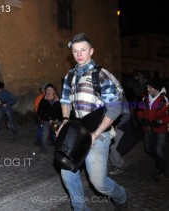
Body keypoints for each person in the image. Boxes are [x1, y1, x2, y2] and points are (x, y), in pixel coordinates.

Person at [59, 33, 129, 210]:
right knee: (67, 173)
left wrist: (95, 135)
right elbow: (65, 101)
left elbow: (114, 108)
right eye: (75, 51)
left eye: (83, 50)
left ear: (91, 51)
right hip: (77, 132)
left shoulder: (101, 75)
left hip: (100, 132)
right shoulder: (70, 76)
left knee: (98, 183)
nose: (79, 54)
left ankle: (121, 197)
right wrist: (65, 120)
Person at [137, 78, 169, 181]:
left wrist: (159, 121)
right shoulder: (144, 98)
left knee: (158, 150)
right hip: (148, 128)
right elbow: (140, 110)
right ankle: (159, 160)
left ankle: (161, 171)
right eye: (147, 87)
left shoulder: (164, 100)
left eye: (150, 87)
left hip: (160, 129)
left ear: (156, 88)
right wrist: (141, 118)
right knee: (148, 149)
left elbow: (167, 116)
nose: (148, 89)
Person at [37, 84, 62, 153]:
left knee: (57, 135)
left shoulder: (58, 101)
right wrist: (48, 119)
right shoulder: (43, 101)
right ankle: (43, 151)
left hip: (55, 121)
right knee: (44, 136)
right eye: (47, 90)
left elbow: (61, 111)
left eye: (51, 90)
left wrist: (57, 119)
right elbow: (40, 112)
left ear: (54, 91)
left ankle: (58, 151)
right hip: (46, 121)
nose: (49, 91)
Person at [109, 97, 130, 175]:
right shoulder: (109, 97)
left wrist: (117, 125)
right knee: (111, 146)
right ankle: (119, 161)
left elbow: (127, 115)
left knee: (113, 146)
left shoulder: (121, 98)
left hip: (119, 126)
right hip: (111, 126)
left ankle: (118, 166)